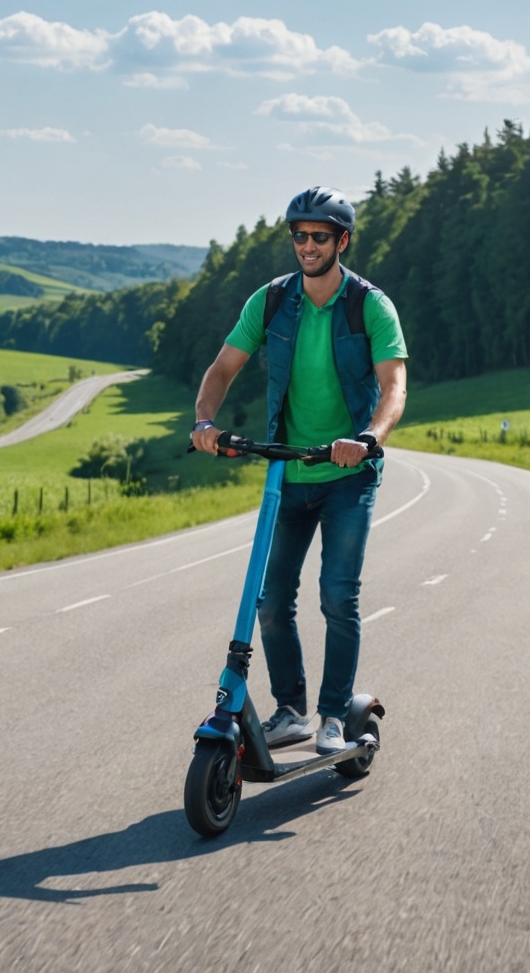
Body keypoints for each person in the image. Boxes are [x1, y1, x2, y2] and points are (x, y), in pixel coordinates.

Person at [189, 187, 409, 753]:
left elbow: (394, 388)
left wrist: (367, 439)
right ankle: (291, 708)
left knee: (338, 595)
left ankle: (334, 716)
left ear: (342, 240)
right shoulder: (271, 301)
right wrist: (205, 422)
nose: (307, 246)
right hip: (287, 474)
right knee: (269, 600)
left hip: (347, 477)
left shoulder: (369, 305)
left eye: (318, 236)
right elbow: (221, 369)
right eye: (299, 236)